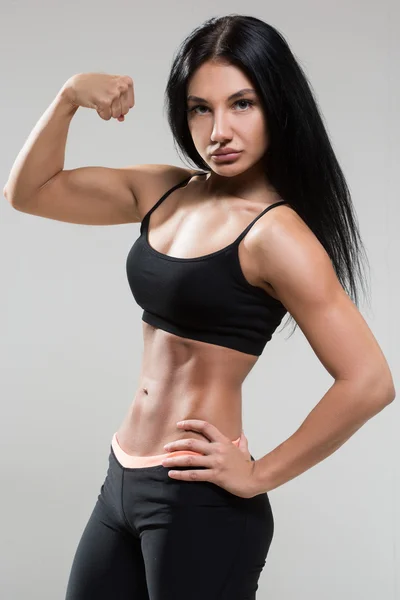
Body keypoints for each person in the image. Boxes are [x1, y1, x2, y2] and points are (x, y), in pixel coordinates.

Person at [4, 14, 395, 600]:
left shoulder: (277, 235)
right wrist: (67, 98)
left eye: (242, 104)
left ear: (277, 109)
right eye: (200, 108)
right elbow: (29, 192)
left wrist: (260, 474)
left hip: (198, 499)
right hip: (121, 480)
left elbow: (369, 381)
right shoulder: (166, 191)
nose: (218, 131)